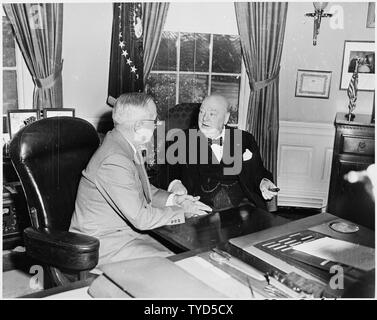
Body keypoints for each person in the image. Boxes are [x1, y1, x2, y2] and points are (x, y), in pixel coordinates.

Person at [70, 93, 211, 266]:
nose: (157, 125)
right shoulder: (114, 159)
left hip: (127, 234)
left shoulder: (125, 146)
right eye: (154, 120)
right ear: (138, 126)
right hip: (105, 245)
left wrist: (175, 199)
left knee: (191, 255)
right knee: (180, 264)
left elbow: (145, 190)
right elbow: (141, 218)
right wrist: (183, 212)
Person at [167, 95, 284, 228]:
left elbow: (258, 171)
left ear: (226, 118)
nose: (205, 118)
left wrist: (263, 182)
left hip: (244, 209)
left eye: (212, 114)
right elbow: (169, 171)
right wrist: (175, 183)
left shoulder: (245, 139)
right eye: (202, 112)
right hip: (201, 210)